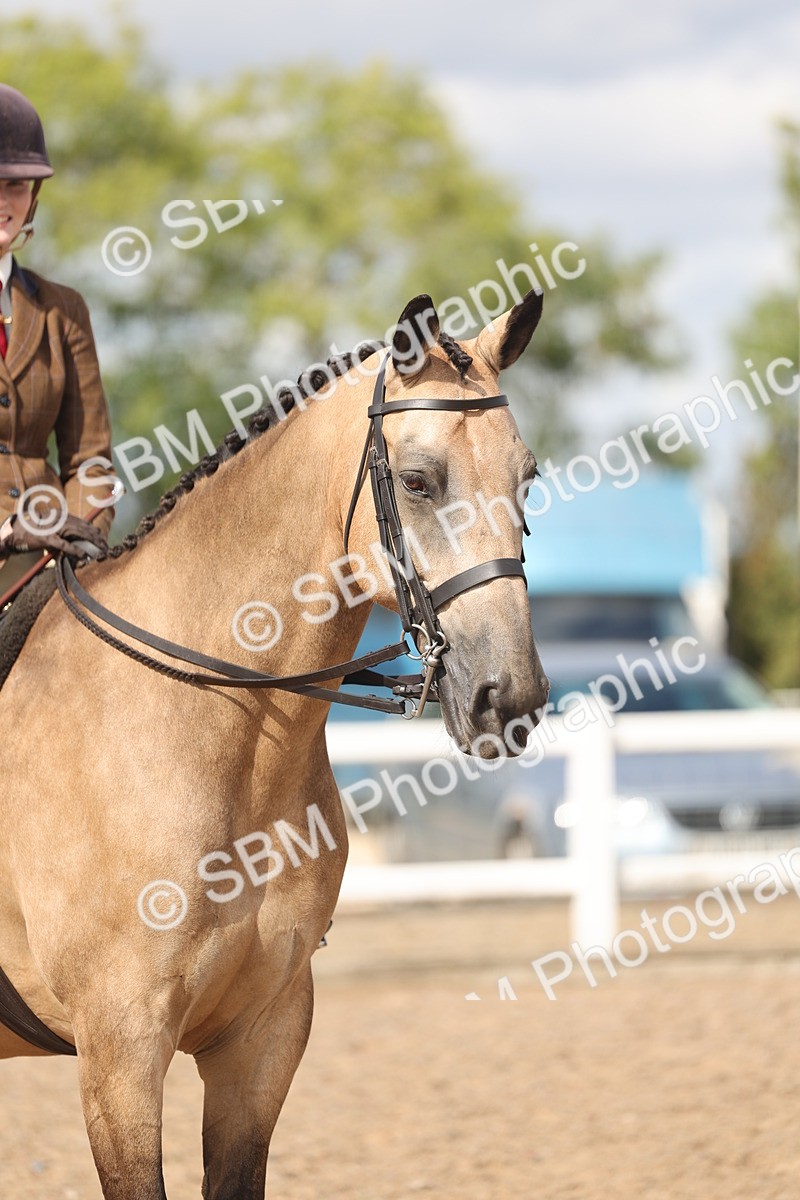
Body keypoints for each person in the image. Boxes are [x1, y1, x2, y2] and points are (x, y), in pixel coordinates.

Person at [0, 83, 114, 598]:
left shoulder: (62, 310)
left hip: (46, 565)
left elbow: (88, 459)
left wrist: (73, 532)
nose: (4, 202)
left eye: (17, 185)